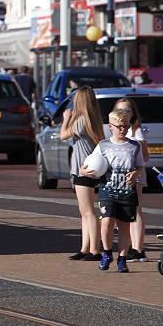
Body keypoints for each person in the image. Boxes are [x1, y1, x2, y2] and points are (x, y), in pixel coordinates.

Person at [81, 110, 145, 274]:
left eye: (126, 126)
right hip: (107, 190)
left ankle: (122, 259)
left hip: (127, 192)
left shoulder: (134, 146)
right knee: (107, 222)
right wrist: (83, 171)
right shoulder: (103, 145)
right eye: (119, 127)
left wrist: (136, 174)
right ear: (110, 126)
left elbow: (140, 166)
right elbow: (89, 164)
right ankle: (107, 253)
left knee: (124, 226)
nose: (123, 130)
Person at [60, 86, 104, 261]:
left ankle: (94, 249)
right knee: (84, 210)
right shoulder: (92, 119)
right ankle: (85, 247)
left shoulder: (80, 120)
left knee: (88, 210)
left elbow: (63, 135)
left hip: (82, 167)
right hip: (89, 166)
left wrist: (66, 119)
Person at [112, 98, 149, 262]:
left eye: (127, 111)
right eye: (120, 110)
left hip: (135, 172)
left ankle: (139, 249)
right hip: (120, 175)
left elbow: (146, 157)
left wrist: (134, 165)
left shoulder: (136, 131)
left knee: (136, 209)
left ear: (133, 113)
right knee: (126, 211)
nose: (124, 114)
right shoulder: (115, 132)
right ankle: (130, 247)